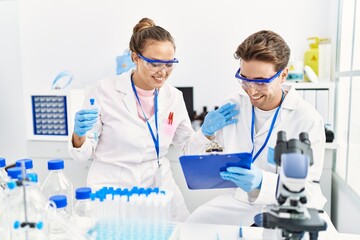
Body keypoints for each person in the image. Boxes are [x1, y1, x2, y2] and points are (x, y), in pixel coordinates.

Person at [68, 17, 239, 222]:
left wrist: (206, 132)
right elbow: (82, 153)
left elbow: (187, 149)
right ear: (135, 57)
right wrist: (79, 134)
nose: (163, 72)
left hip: (159, 185)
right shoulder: (104, 90)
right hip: (113, 188)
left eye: (169, 64)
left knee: (180, 233)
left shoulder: (173, 97)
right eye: (154, 64)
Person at [185, 30, 327, 226]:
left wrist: (263, 182)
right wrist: (205, 133)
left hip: (286, 206)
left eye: (260, 82)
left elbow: (308, 191)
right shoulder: (233, 106)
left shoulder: (307, 119)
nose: (251, 90)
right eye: (245, 79)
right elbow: (190, 159)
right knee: (193, 226)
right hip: (239, 202)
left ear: (283, 74)